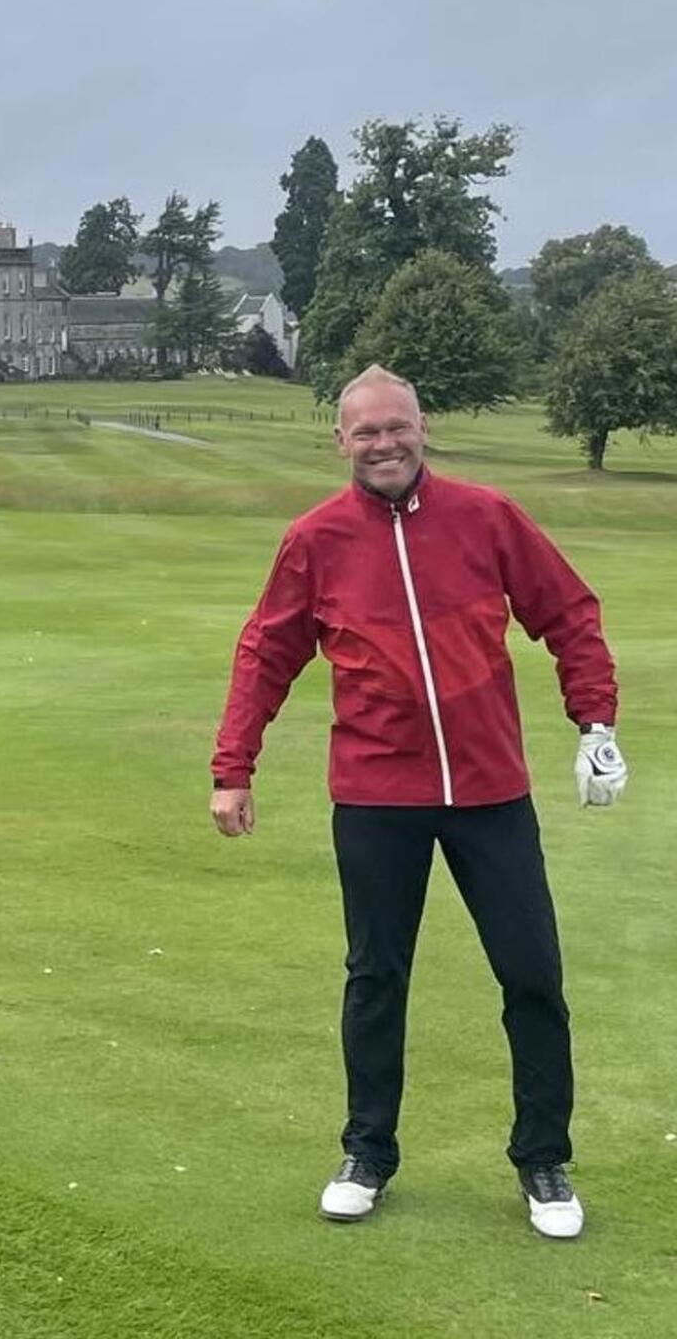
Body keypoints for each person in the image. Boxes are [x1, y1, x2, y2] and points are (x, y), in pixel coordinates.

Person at [210, 364, 627, 1240]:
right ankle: (368, 1152)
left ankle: (543, 1159)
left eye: (396, 426)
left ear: (422, 427)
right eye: (366, 431)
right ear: (341, 441)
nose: (384, 443)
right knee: (375, 978)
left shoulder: (487, 516)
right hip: (375, 795)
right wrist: (233, 766)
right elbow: (267, 652)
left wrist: (595, 720)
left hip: (490, 791)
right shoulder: (315, 539)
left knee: (532, 975)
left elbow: (569, 613)